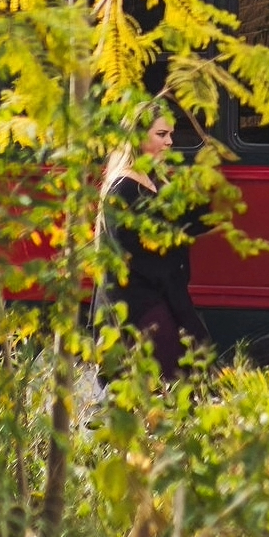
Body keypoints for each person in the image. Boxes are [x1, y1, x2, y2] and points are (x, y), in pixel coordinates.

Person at [102, 111, 213, 378]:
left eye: (171, 135)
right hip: (138, 304)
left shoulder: (158, 181)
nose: (170, 142)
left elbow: (192, 224)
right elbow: (144, 259)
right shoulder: (123, 190)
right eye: (161, 134)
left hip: (165, 294)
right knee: (173, 372)